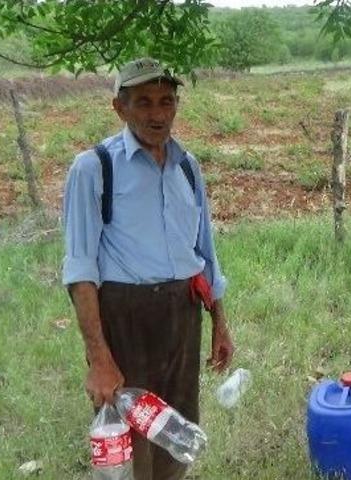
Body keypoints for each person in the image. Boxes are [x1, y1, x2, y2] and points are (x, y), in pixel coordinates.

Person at [62, 57, 234, 480]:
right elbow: (80, 271)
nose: (157, 114)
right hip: (126, 314)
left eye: (166, 101)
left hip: (183, 311)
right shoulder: (94, 167)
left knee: (176, 423)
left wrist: (220, 323)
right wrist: (99, 357)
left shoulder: (187, 167)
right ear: (120, 108)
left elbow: (204, 251)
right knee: (132, 431)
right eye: (143, 102)